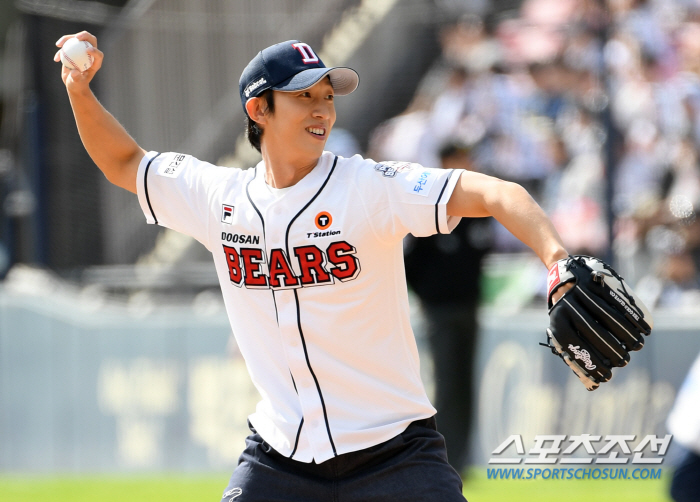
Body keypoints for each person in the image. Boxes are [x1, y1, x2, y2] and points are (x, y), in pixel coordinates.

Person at [55, 32, 571, 502]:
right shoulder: (219, 198)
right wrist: (80, 91)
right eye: (304, 96)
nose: (322, 108)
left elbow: (497, 193)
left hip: (395, 455)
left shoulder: (369, 187)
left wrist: (556, 261)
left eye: (327, 96)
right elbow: (124, 162)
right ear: (259, 109)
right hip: (280, 460)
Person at [403, 141, 491, 474]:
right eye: (460, 158)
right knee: (446, 383)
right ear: (445, 161)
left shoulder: (473, 210)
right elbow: (410, 263)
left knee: (466, 383)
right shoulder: (429, 209)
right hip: (440, 311)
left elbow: (479, 258)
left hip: (469, 307)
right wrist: (428, 298)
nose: (466, 163)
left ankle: (463, 456)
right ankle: (441, 455)